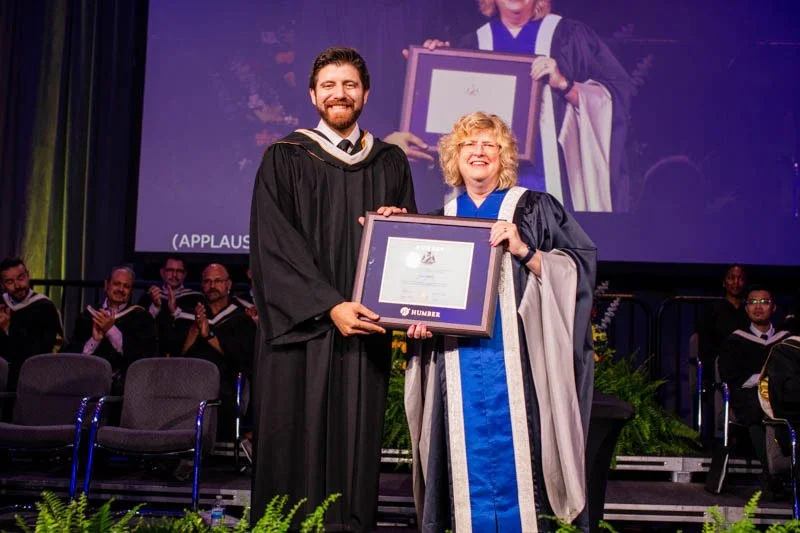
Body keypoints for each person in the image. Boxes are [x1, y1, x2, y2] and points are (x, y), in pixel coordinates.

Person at [249, 46, 417, 530]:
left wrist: (402, 227)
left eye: (348, 85)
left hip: (365, 329)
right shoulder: (284, 158)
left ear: (364, 94)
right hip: (302, 333)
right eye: (329, 86)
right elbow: (274, 246)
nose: (338, 94)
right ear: (312, 95)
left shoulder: (390, 162)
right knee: (292, 442)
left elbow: (412, 248)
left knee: (353, 446)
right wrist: (329, 306)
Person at [404, 112, 596, 532]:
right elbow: (418, 295)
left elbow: (578, 268)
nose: (478, 152)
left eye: (489, 144)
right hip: (456, 368)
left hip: (519, 367)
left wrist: (525, 250)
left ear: (503, 156)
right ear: (454, 156)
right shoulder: (438, 219)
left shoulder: (536, 208)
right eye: (469, 144)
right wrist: (416, 323)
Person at [393, 0, 634, 212]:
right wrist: (433, 63)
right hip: (486, 181)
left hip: (554, 180)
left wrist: (565, 85)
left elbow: (617, 95)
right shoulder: (472, 43)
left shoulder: (570, 36)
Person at [717, 286, 791, 496]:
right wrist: (761, 379)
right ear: (746, 308)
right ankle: (771, 473)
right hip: (748, 395)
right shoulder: (735, 340)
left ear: (774, 308)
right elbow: (730, 375)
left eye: (765, 302)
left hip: (781, 396)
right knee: (755, 407)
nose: (759, 307)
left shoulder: (786, 340)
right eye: (753, 302)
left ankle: (788, 469)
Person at [181, 263, 255, 439]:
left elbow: (241, 357)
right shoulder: (189, 315)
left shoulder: (242, 319)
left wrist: (209, 335)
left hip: (224, 384)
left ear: (228, 284)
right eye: (207, 281)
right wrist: (194, 331)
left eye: (217, 281)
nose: (212, 286)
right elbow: (178, 356)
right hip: (189, 381)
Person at [64, 266, 157, 392]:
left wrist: (111, 331)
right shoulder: (88, 316)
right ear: (106, 285)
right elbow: (74, 357)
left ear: (131, 291)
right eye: (116, 284)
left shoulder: (141, 318)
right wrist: (95, 340)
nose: (121, 289)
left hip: (123, 389)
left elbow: (141, 359)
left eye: (126, 286)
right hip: (85, 384)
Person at [0, 257, 63, 390]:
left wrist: (6, 331)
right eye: (10, 282)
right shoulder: (1, 305)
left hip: (32, 376)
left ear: (28, 275)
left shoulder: (44, 307)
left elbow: (40, 351)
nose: (17, 285)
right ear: (2, 284)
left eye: (21, 278)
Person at [137, 256, 204, 356]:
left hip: (186, 358)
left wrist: (175, 311)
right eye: (170, 270)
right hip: (153, 357)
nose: (174, 275)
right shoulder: (147, 297)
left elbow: (198, 328)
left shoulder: (196, 298)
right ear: (162, 272)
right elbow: (140, 328)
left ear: (185, 274)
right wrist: (155, 307)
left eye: (179, 271)